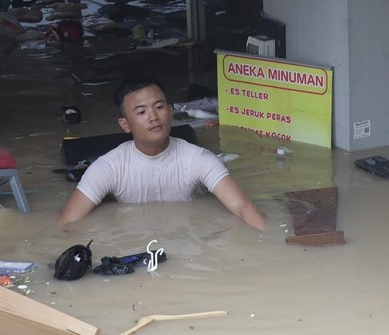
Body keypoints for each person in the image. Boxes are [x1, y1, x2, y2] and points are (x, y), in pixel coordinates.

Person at [56, 76, 265, 231]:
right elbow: (67, 223)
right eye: (141, 112)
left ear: (170, 111)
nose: (153, 117)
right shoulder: (108, 168)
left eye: (159, 107)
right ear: (125, 124)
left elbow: (242, 207)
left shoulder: (198, 159)